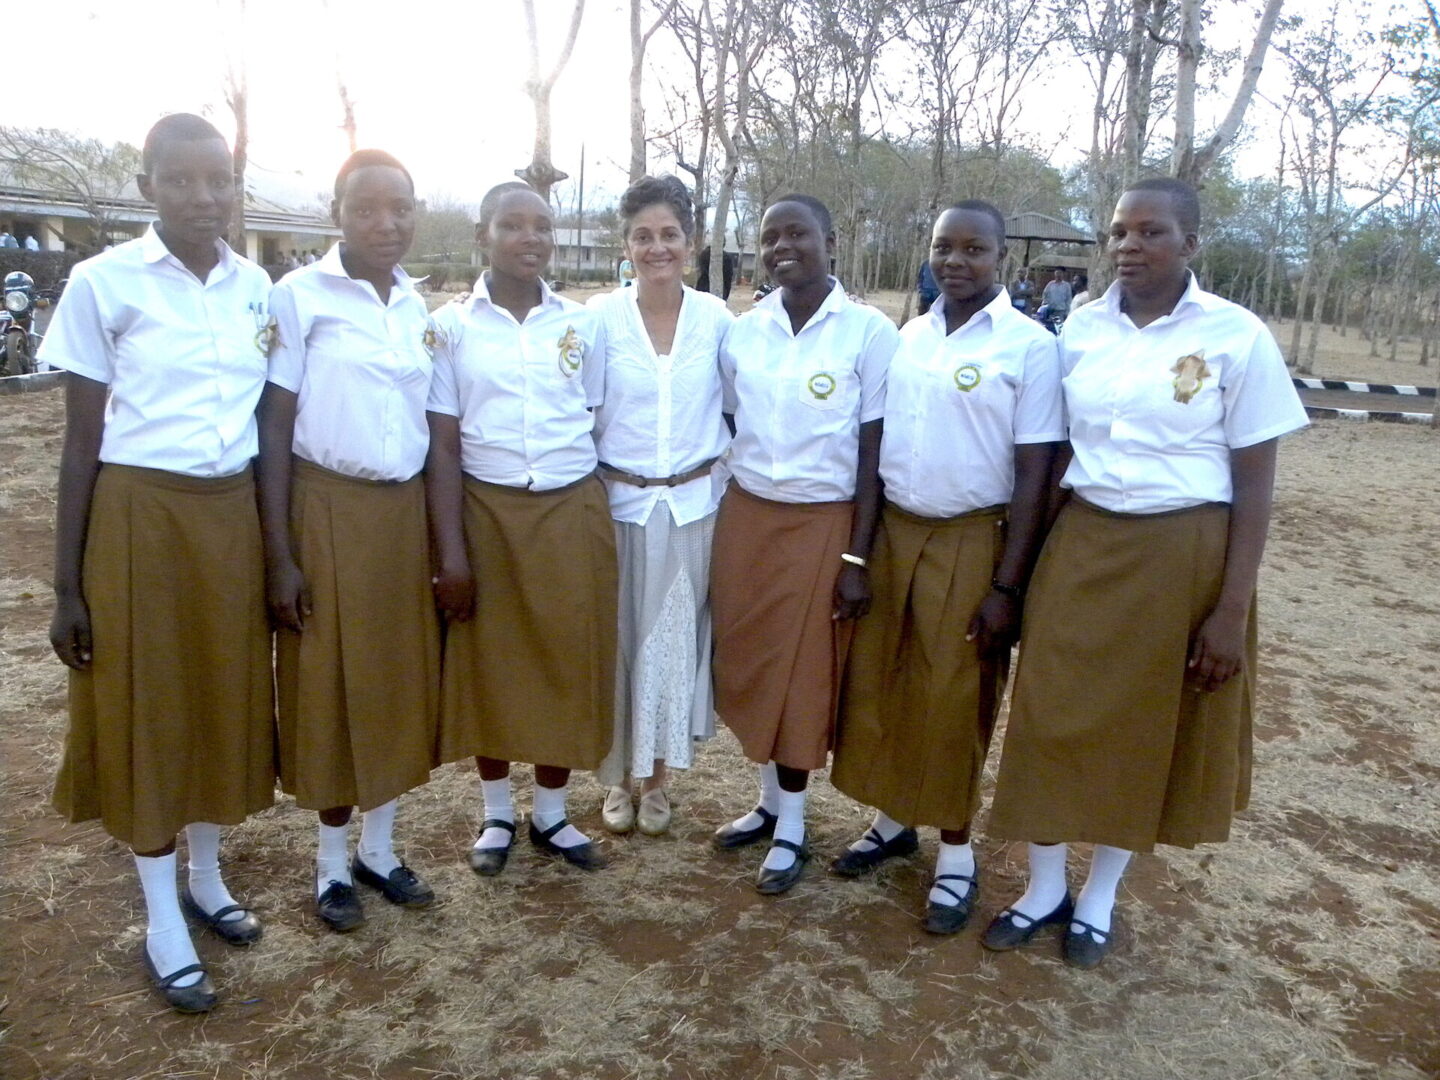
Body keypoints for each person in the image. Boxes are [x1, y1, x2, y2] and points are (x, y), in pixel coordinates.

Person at [983, 177, 1308, 969]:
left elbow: (1255, 484)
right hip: (1084, 542)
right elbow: (1057, 456)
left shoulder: (1236, 336)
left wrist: (1230, 608)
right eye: (1119, 232)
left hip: (1182, 552)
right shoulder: (1079, 331)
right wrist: (1018, 578)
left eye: (1150, 232)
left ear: (1190, 243)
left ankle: (1098, 897)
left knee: (1142, 728)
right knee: (1051, 715)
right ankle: (1045, 887)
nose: (1129, 245)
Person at [41, 114, 275, 1014]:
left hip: (230, 519)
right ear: (148, 186)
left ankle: (206, 879)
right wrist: (68, 586)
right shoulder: (103, 285)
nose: (205, 196)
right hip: (139, 518)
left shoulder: (258, 288)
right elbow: (80, 444)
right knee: (149, 705)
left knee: (223, 693)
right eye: (182, 180)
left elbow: (264, 427)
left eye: (219, 178)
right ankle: (158, 914)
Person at [829, 200, 1062, 934]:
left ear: (1003, 260)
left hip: (972, 538)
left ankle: (955, 855)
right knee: (887, 681)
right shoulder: (909, 337)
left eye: (974, 249)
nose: (956, 262)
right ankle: (894, 818)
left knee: (955, 695)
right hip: (899, 534)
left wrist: (1006, 586)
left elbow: (1035, 474)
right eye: (943, 248)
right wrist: (860, 555)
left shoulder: (1029, 346)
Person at [256, 149, 440, 933]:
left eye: (399, 207)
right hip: (324, 510)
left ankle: (380, 847)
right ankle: (330, 865)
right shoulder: (298, 297)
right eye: (367, 207)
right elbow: (274, 424)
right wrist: (280, 553)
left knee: (394, 680)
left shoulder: (417, 307)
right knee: (327, 685)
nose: (385, 223)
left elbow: (430, 426)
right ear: (338, 212)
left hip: (401, 517)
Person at [711, 193, 899, 894]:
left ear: (830, 239)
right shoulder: (744, 332)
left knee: (800, 676)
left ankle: (793, 827)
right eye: (770, 237)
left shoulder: (869, 333)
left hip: (824, 522)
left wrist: (856, 554)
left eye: (799, 233)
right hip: (749, 518)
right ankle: (766, 803)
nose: (783, 246)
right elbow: (731, 420)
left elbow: (873, 449)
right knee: (751, 663)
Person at [426, 181, 615, 874]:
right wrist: (450, 550)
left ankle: (554, 816)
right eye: (513, 225)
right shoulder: (448, 326)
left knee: (563, 660)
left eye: (542, 226)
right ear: (484, 235)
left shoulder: (581, 324)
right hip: (486, 512)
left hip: (568, 511)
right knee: (492, 666)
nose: (530, 238)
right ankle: (498, 814)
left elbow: (593, 412)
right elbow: (443, 443)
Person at [590, 176, 733, 836]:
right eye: (643, 236)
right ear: (626, 246)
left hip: (690, 508)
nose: (657, 248)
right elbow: (584, 419)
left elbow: (735, 412)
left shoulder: (718, 322)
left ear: (692, 244)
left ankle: (657, 779)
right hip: (620, 508)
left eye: (669, 235)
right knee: (619, 644)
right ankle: (615, 776)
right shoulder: (598, 321)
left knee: (672, 642)